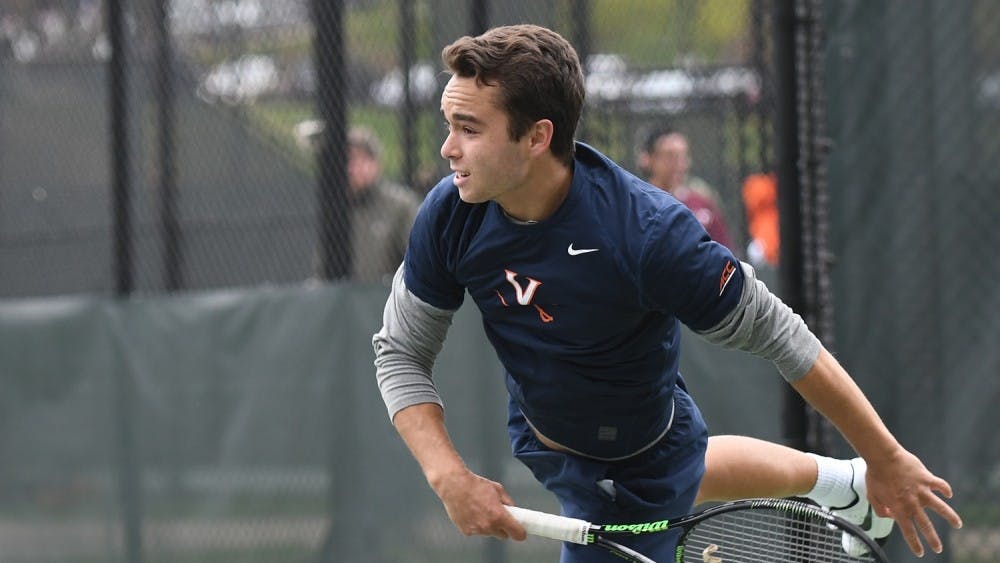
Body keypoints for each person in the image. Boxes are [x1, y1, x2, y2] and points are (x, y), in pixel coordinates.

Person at [372, 24, 962, 561]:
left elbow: (783, 335)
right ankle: (844, 484)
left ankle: (850, 479)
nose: (447, 148)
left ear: (536, 137)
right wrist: (449, 477)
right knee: (695, 463)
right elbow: (400, 352)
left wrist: (887, 456)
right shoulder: (451, 213)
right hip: (544, 431)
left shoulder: (649, 235)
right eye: (449, 125)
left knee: (678, 465)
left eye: (469, 129)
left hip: (637, 470)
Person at [297, 122, 422, 284]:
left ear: (374, 163)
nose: (350, 168)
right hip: (341, 298)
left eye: (356, 159)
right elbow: (322, 272)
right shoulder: (334, 208)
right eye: (344, 160)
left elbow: (420, 261)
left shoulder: (401, 204)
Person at [638, 128, 735, 251]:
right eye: (670, 156)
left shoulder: (701, 204)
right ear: (647, 159)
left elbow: (725, 252)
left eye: (683, 156)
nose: (679, 164)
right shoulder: (636, 206)